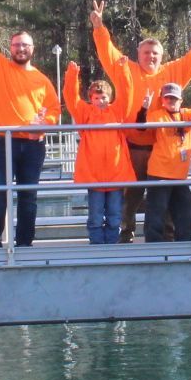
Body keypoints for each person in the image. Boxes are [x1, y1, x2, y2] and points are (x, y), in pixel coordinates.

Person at [90, 0, 191, 242]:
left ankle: (167, 237)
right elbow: (108, 52)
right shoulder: (126, 68)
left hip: (163, 148)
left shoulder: (173, 72)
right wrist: (99, 28)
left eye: (155, 53)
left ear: (162, 55)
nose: (151, 57)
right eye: (146, 52)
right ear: (138, 54)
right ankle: (125, 234)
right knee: (130, 196)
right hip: (133, 147)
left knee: (165, 197)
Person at [0, 0, 63, 248]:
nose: (21, 49)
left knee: (28, 197)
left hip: (33, 146)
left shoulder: (42, 80)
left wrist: (42, 126)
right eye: (16, 45)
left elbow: (55, 111)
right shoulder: (0, 67)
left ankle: (25, 244)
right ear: (10, 48)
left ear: (32, 49)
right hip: (3, 143)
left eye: (25, 45)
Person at [63, 61, 134, 244]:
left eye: (103, 98)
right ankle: (96, 247)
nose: (100, 101)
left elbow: (127, 94)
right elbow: (71, 97)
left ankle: (111, 247)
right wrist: (72, 75)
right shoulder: (84, 114)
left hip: (116, 174)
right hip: (94, 176)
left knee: (114, 215)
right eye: (96, 98)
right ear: (90, 99)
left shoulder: (117, 112)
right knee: (95, 217)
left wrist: (123, 70)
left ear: (109, 98)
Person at [136, 82, 191, 242]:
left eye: (175, 98)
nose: (171, 101)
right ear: (162, 100)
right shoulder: (159, 114)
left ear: (181, 100)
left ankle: (185, 243)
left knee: (186, 210)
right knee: (156, 211)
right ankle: (153, 246)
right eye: (168, 98)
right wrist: (144, 108)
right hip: (159, 173)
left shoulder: (187, 114)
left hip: (179, 175)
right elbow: (141, 126)